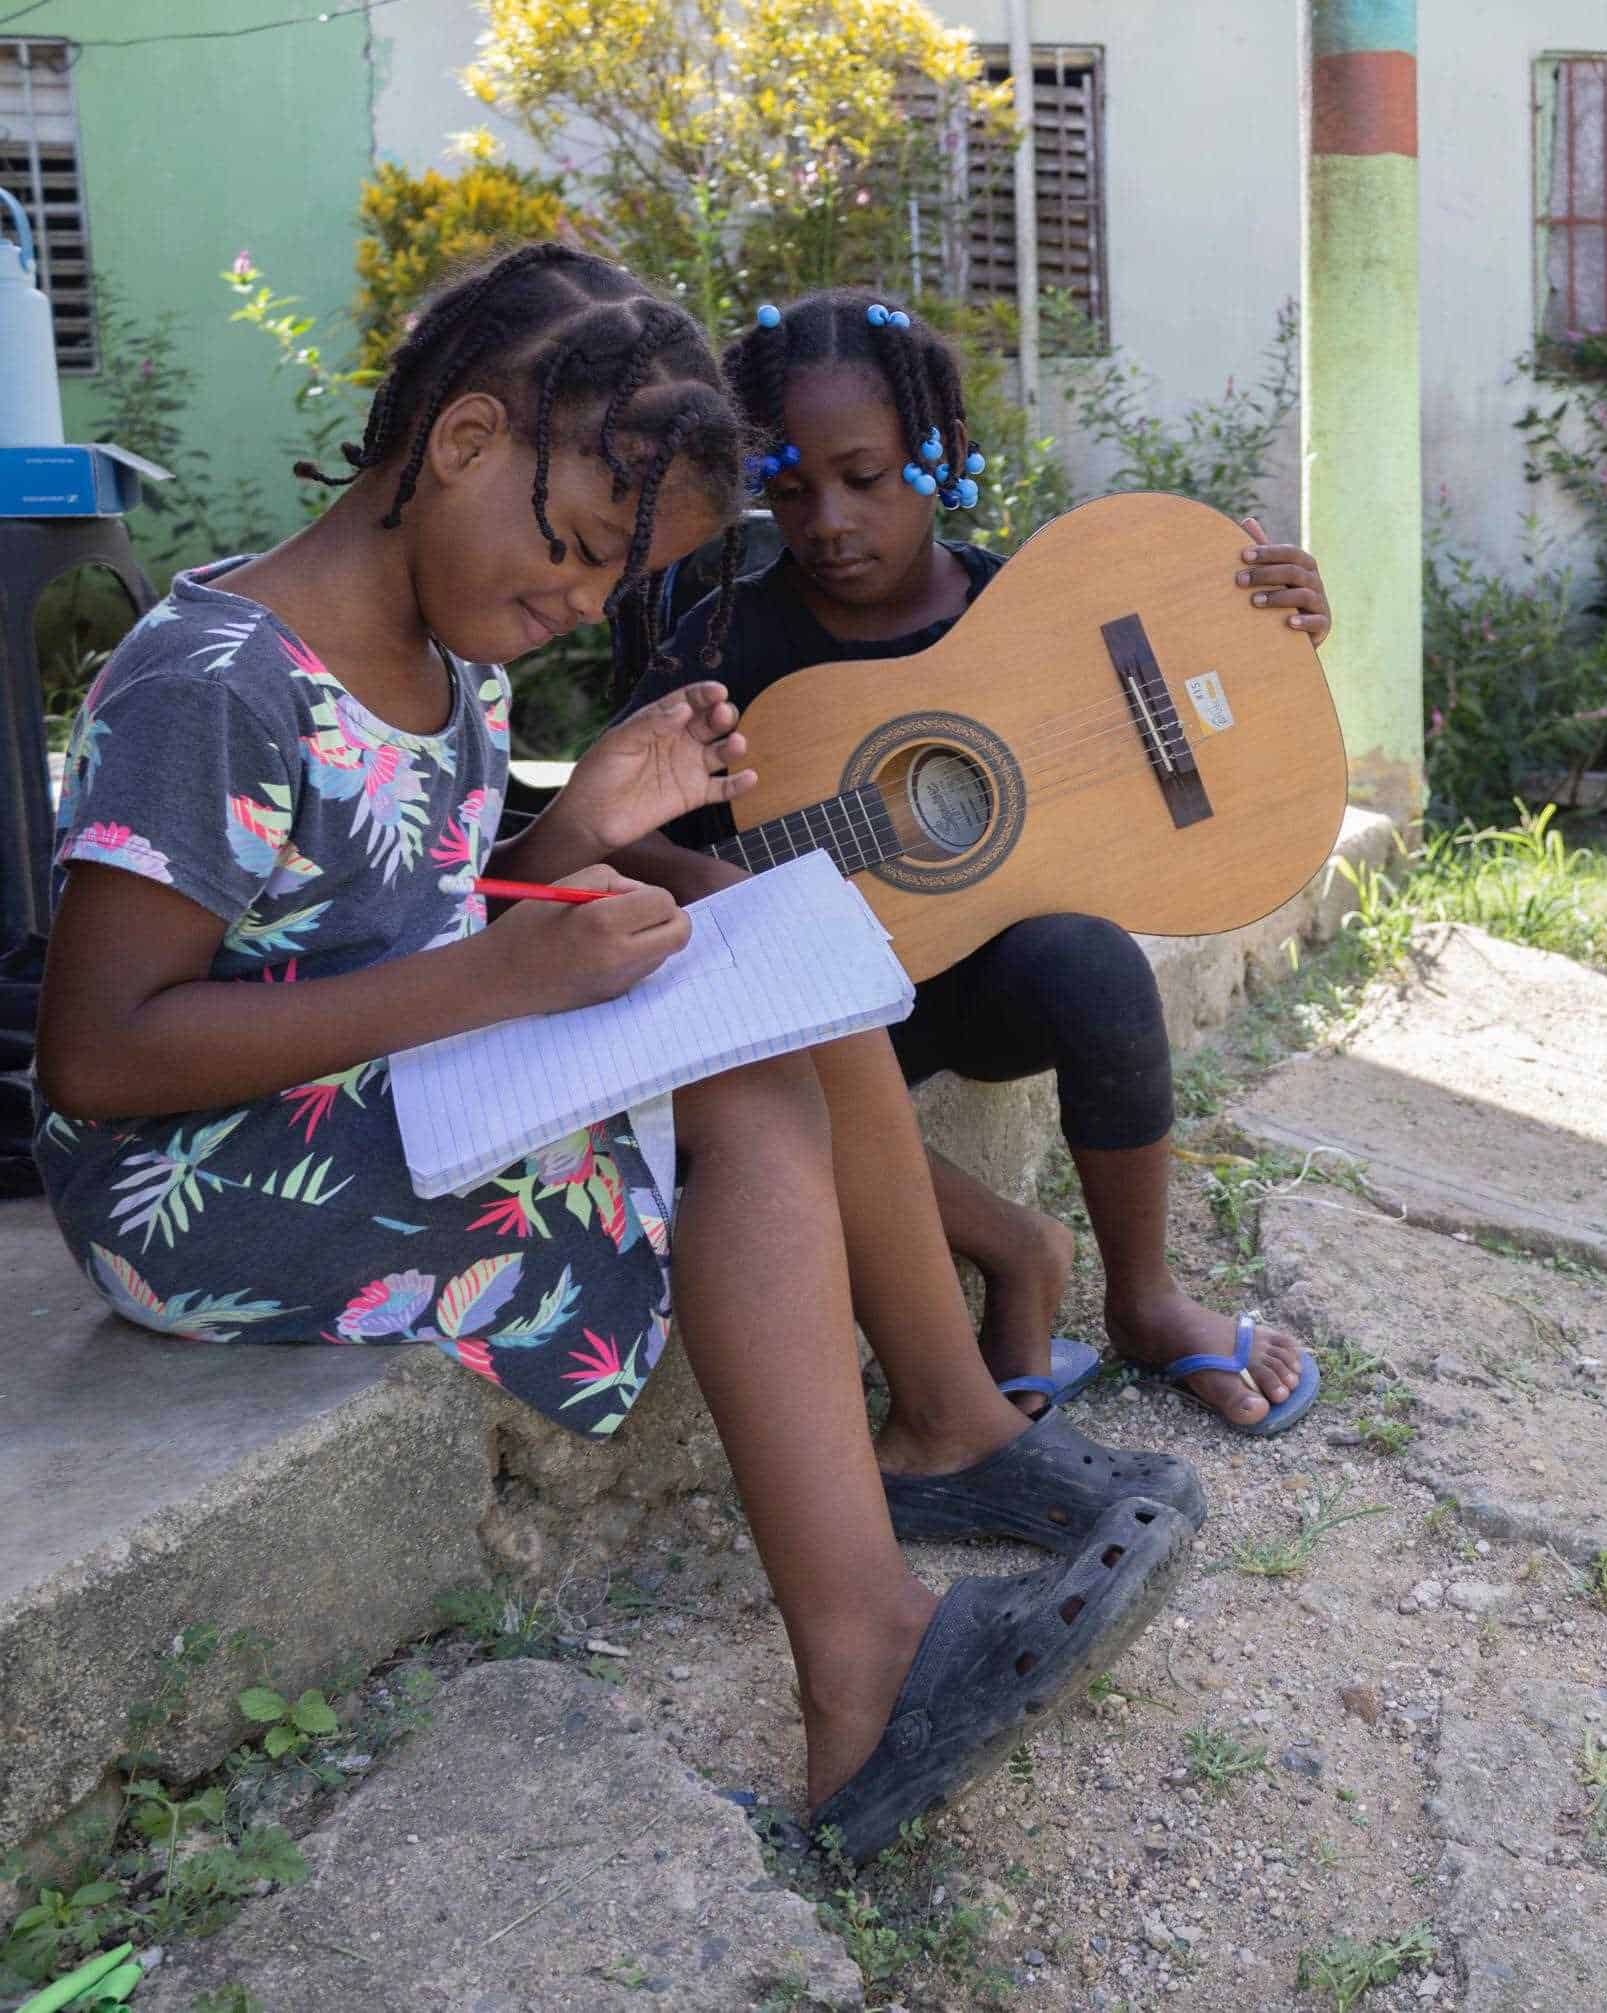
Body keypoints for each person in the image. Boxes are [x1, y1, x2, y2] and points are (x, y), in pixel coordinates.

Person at [30, 244, 1191, 1860]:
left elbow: (416, 910)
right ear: (462, 442)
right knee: (751, 1118)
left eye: (605, 585)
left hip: (366, 1086)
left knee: (778, 974)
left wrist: (591, 833)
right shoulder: (213, 682)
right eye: (570, 550)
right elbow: (98, 1057)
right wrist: (500, 976)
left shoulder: (453, 661)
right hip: (194, 1178)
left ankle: (951, 1427)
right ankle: (865, 1663)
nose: (576, 605)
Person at [613, 288, 1332, 1436]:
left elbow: (1208, 687)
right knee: (769, 1071)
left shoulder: (1028, 612)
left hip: (983, 990)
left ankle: (1145, 1302)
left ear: (937, 455)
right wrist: (708, 882)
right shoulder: (724, 643)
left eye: (867, 475)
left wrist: (1271, 629)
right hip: (821, 1024)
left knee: (1091, 963)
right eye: (790, 490)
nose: (830, 521)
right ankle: (1015, 1247)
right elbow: (600, 830)